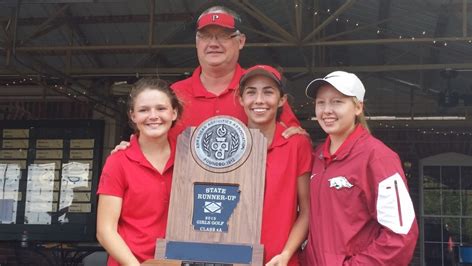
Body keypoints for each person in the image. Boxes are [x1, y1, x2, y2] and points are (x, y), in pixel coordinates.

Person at [112, 5, 304, 153]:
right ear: (197, 42)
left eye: (223, 36)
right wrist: (128, 151)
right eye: (205, 36)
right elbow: (148, 145)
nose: (213, 43)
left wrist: (299, 135)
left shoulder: (260, 93)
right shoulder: (173, 95)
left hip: (248, 198)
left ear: (241, 41)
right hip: (185, 199)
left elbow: (293, 139)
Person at [302, 71, 419, 265]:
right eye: (320, 102)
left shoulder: (379, 158)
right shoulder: (317, 156)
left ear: (358, 107)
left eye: (337, 102)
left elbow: (402, 235)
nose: (326, 110)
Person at [96, 78, 183, 266]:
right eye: (144, 110)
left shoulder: (190, 159)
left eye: (161, 108)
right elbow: (105, 231)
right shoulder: (118, 162)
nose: (153, 116)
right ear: (133, 116)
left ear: (174, 112)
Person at [238, 65, 312, 266]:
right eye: (251, 92)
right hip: (234, 258)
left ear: (282, 100)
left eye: (268, 92)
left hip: (280, 260)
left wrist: (286, 254)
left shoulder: (297, 144)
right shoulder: (229, 144)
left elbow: (307, 210)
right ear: (241, 99)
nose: (259, 100)